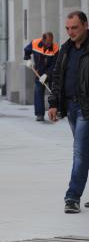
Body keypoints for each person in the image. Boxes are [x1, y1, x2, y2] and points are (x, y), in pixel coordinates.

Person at [48, 11, 89, 214]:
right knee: (85, 151)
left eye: (75, 28)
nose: (70, 32)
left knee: (80, 152)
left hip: (86, 108)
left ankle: (72, 197)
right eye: (67, 28)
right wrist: (54, 103)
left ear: (85, 25)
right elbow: (57, 76)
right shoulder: (65, 49)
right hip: (71, 107)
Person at [24, 32, 59, 121]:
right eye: (47, 42)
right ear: (43, 40)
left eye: (51, 42)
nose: (49, 44)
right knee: (38, 91)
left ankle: (56, 110)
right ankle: (39, 114)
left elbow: (55, 65)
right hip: (39, 72)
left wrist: (47, 74)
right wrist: (27, 59)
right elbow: (26, 51)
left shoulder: (55, 48)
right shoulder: (35, 43)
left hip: (51, 73)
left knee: (54, 92)